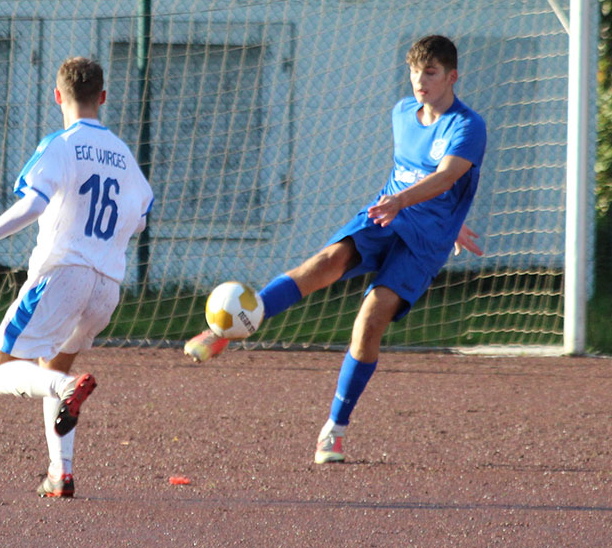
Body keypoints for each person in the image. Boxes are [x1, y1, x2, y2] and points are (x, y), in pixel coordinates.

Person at [185, 35, 486, 464]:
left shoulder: (468, 126)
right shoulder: (402, 113)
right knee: (324, 262)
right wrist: (408, 205)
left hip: (422, 240)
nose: (420, 81)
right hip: (385, 216)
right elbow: (414, 175)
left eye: (431, 72)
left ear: (452, 76)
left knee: (371, 317)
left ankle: (334, 429)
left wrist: (440, 219)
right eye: (415, 71)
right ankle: (227, 331)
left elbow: (445, 178)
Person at [0, 57, 153, 498]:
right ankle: (61, 473)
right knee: (53, 364)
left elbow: (34, 205)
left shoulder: (60, 144)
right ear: (104, 98)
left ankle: (66, 388)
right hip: (107, 287)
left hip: (63, 276)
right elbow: (140, 221)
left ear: (57, 96)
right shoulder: (125, 157)